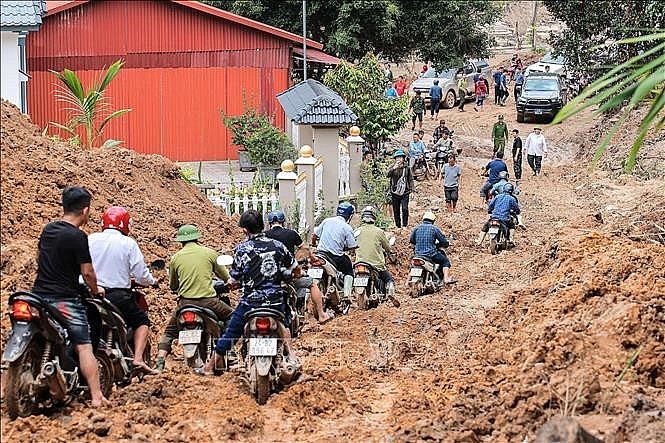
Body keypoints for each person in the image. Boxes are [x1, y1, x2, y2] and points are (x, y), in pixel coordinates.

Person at [31, 186, 108, 407]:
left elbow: (40, 257)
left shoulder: (48, 229)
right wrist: (95, 290)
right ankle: (96, 396)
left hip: (37, 297)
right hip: (64, 300)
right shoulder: (78, 237)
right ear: (85, 210)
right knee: (84, 345)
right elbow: (87, 272)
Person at [198, 210, 298, 375]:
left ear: (245, 230)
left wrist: (231, 284)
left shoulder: (242, 249)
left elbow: (234, 278)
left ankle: (209, 367)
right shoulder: (278, 246)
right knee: (285, 323)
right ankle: (292, 356)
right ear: (262, 225)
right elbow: (296, 269)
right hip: (274, 300)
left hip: (250, 303)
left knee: (231, 333)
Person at [88, 206, 157, 375]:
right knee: (142, 322)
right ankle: (138, 359)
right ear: (126, 225)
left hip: (90, 295)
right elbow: (141, 275)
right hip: (118, 297)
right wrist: (152, 281)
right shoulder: (128, 243)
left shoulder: (90, 239)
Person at [154, 224, 233, 372]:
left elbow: (173, 286)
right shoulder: (210, 253)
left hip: (185, 303)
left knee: (169, 332)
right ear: (197, 238)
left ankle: (159, 362)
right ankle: (231, 351)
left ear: (181, 241)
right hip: (209, 302)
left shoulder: (175, 258)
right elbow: (225, 277)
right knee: (232, 317)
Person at [264, 210, 333, 323]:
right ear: (283, 222)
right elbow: (304, 248)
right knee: (312, 284)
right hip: (290, 275)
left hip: (270, 276)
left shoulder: (265, 236)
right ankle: (321, 315)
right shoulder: (291, 234)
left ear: (270, 222)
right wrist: (313, 258)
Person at [311, 202, 358, 301]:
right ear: (349, 215)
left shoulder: (327, 221)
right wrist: (344, 247)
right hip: (335, 257)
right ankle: (347, 294)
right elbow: (352, 246)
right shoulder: (347, 227)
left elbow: (314, 235)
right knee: (349, 270)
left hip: (320, 254)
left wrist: (314, 243)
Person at [354, 207, 399, 307]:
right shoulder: (379, 232)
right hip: (376, 265)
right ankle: (390, 294)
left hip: (359, 263)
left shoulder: (357, 231)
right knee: (389, 279)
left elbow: (353, 246)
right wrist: (390, 252)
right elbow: (387, 247)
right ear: (374, 217)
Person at [409, 212, 456, 285]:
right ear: (433, 221)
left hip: (418, 255)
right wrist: (446, 244)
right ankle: (446, 278)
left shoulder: (416, 228)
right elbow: (443, 241)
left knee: (412, 266)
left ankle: (406, 283)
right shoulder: (434, 229)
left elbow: (412, 241)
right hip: (431, 255)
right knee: (445, 261)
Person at [387, 150, 414, 228]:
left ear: (403, 158)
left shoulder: (407, 168)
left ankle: (405, 224)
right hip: (394, 192)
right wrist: (394, 168)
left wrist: (412, 191)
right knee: (396, 209)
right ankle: (398, 225)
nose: (399, 159)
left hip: (405, 192)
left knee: (405, 208)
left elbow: (410, 179)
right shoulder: (392, 167)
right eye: (397, 157)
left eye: (401, 157)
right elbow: (388, 175)